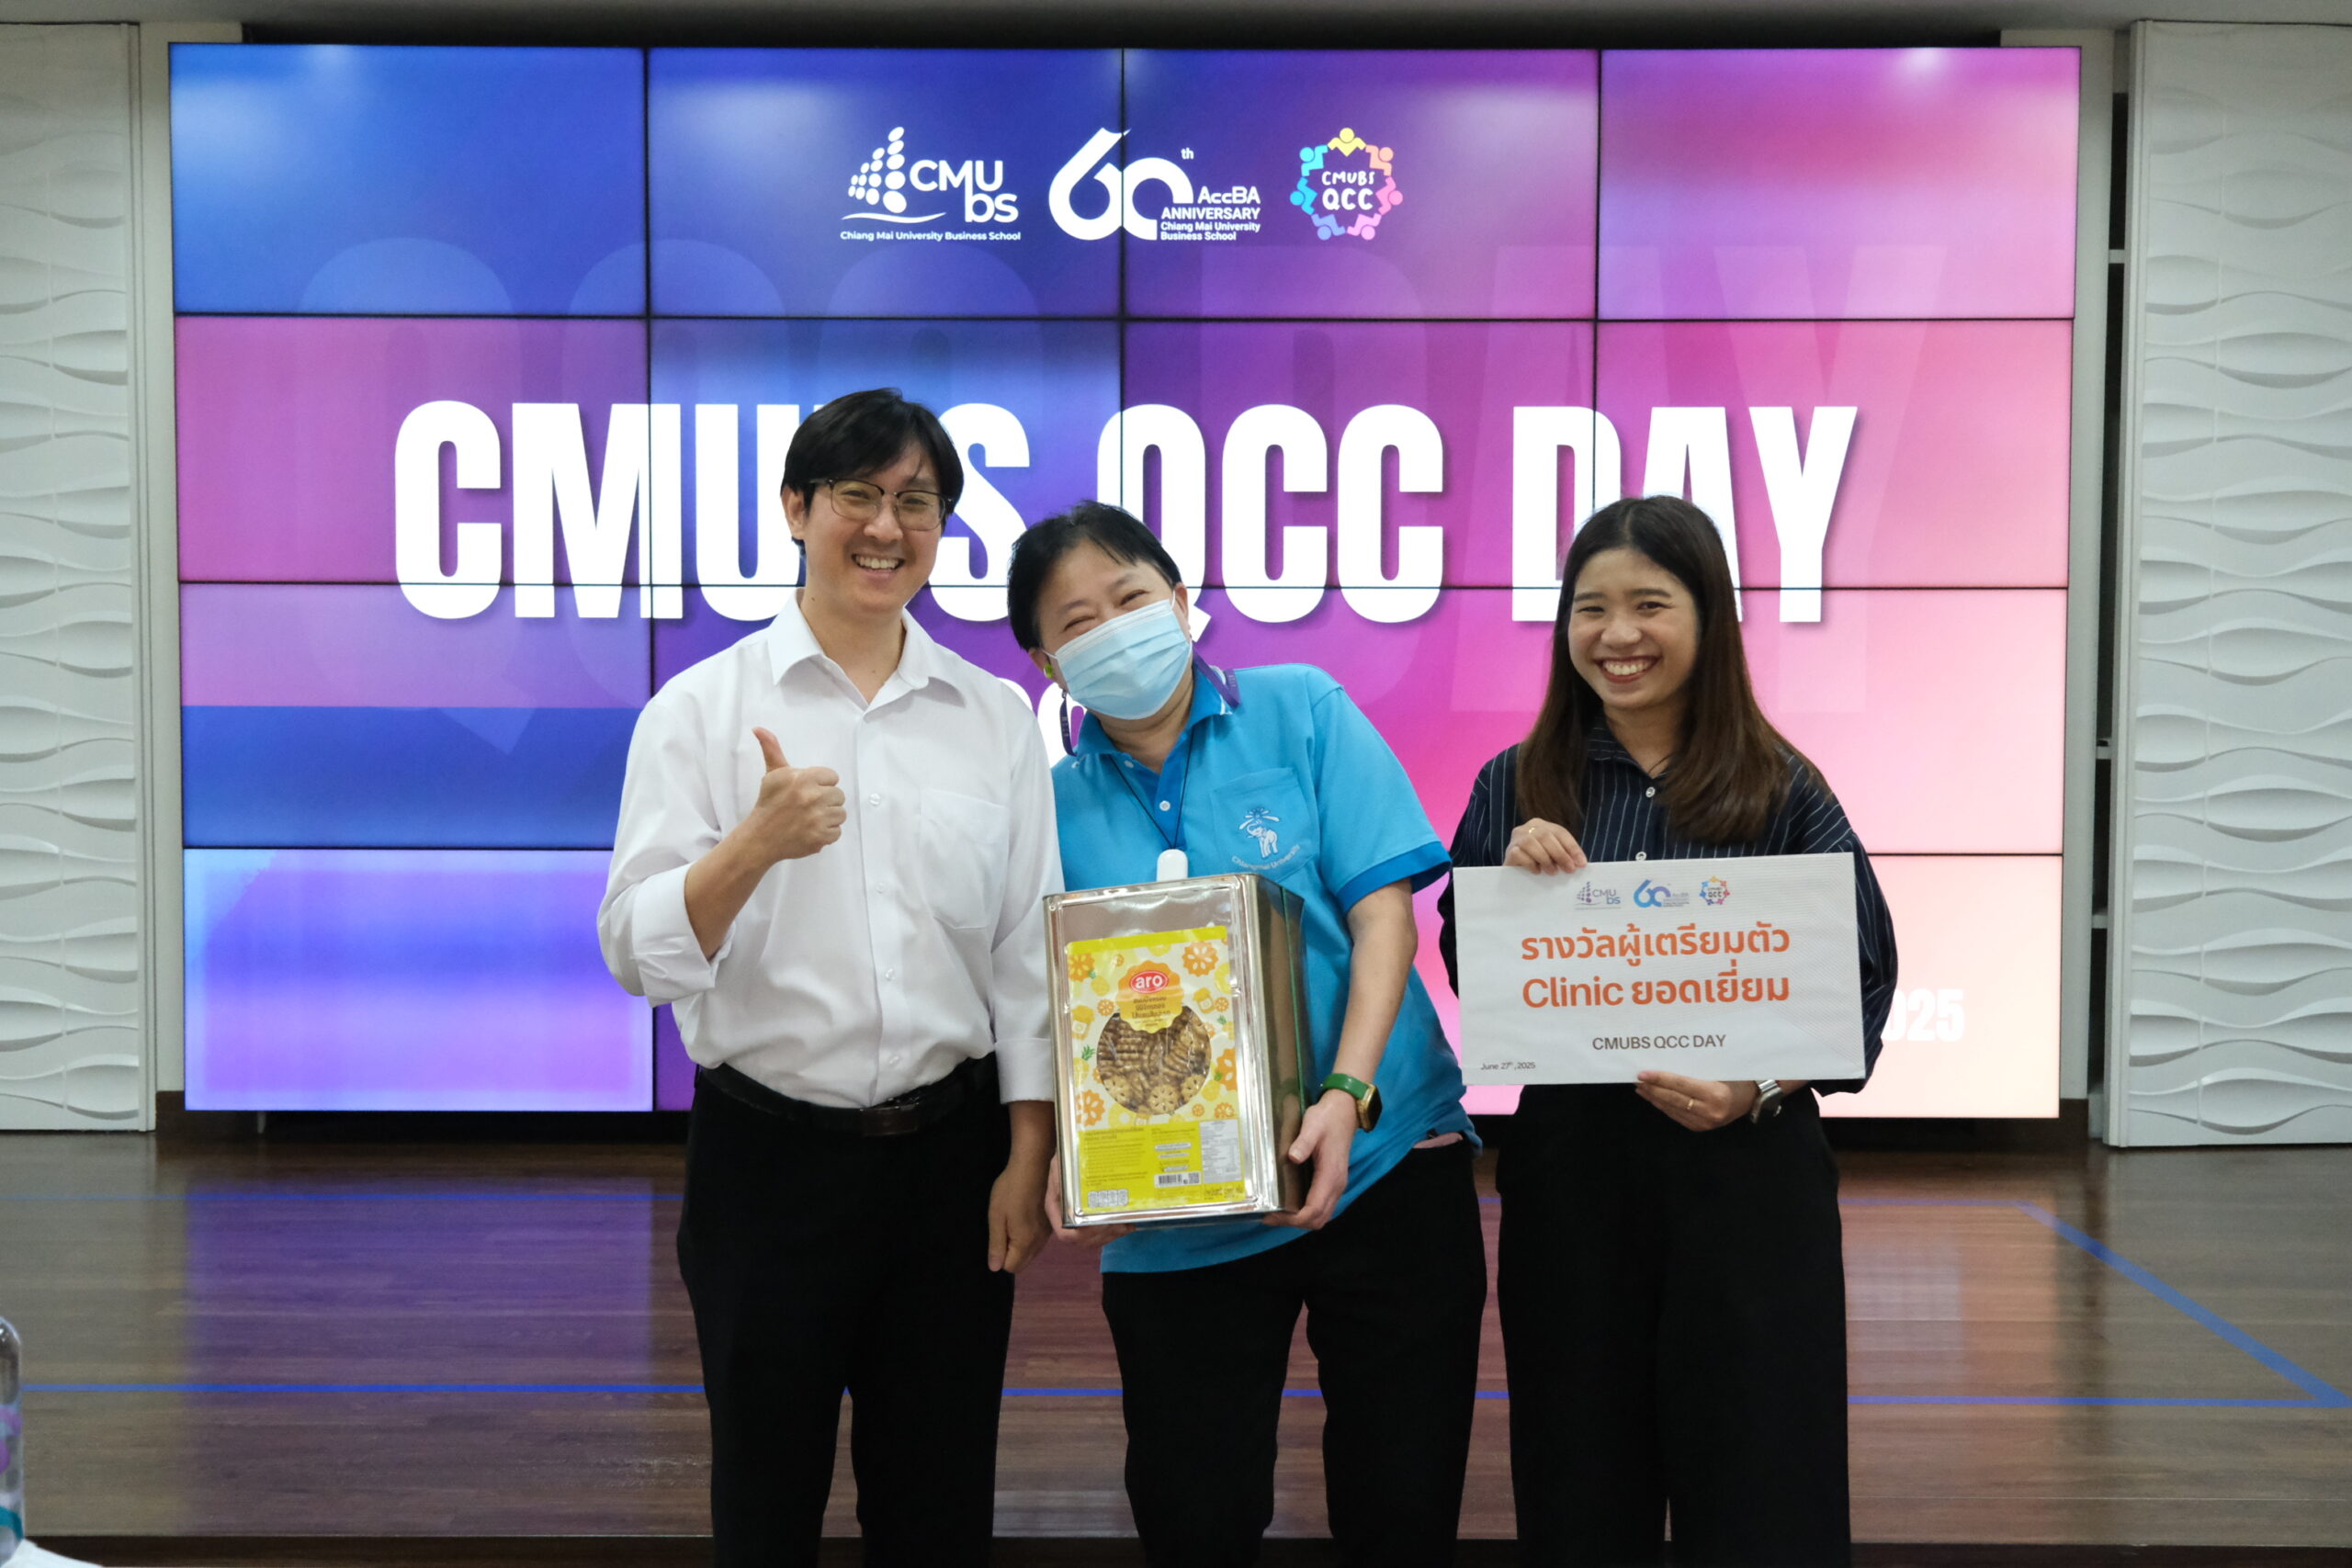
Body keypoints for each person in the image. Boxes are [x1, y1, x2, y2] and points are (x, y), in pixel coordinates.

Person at [598, 389, 1059, 1568]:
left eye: (918, 502)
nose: (886, 527)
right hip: (768, 1164)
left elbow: (1025, 953)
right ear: (797, 508)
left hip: (951, 1166)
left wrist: (1028, 1150)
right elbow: (636, 951)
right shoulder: (699, 711)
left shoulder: (994, 718)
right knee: (766, 1505)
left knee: (938, 1506)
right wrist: (750, 848)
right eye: (857, 495)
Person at [1005, 501, 1488, 1568]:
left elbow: (1382, 915)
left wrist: (1345, 1095)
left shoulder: (1300, 708)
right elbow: (1047, 1003)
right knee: (1194, 1516)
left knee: (1401, 1507)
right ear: (1046, 663)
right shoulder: (1046, 808)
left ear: (1181, 601)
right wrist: (1067, 1153)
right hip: (1181, 1211)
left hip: (1382, 1163)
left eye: (1131, 598)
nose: (1113, 629)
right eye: (1077, 622)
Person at [1439, 493, 1898, 1568]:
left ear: (1709, 618)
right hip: (1573, 1175)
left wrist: (1758, 1085)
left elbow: (1863, 973)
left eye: (1650, 604)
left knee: (1763, 1478)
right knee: (1578, 1470)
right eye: (1590, 608)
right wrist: (1506, 889)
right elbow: (1474, 968)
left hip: (1746, 1176)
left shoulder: (1780, 785)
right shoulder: (1515, 783)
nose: (1618, 634)